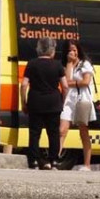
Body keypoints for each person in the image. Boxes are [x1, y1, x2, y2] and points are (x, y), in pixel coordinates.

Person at [21, 37, 68, 170]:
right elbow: (65, 86)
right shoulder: (58, 65)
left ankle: (34, 161)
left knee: (35, 133)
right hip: (53, 102)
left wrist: (23, 102)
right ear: (52, 51)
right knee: (53, 133)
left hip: (35, 102)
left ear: (38, 50)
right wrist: (62, 100)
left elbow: (24, 84)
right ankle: (53, 161)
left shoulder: (31, 64)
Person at [59, 40, 95, 171]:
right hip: (69, 100)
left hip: (82, 100)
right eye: (70, 50)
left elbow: (85, 81)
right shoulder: (66, 65)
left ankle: (87, 164)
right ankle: (55, 159)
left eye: (74, 50)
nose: (72, 52)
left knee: (83, 131)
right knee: (62, 130)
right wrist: (69, 63)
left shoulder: (85, 64)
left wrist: (71, 82)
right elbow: (66, 80)